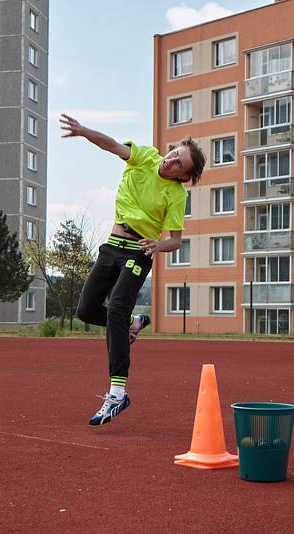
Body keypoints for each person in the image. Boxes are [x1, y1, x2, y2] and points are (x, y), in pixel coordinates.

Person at [61, 113, 206, 426]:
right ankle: (134, 322)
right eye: (175, 154)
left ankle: (117, 393)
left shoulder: (177, 195)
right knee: (86, 310)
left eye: (180, 164)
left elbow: (176, 241)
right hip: (112, 245)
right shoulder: (144, 157)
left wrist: (157, 245)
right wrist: (84, 131)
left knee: (114, 310)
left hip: (138, 252)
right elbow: (112, 145)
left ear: (182, 177)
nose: (172, 161)